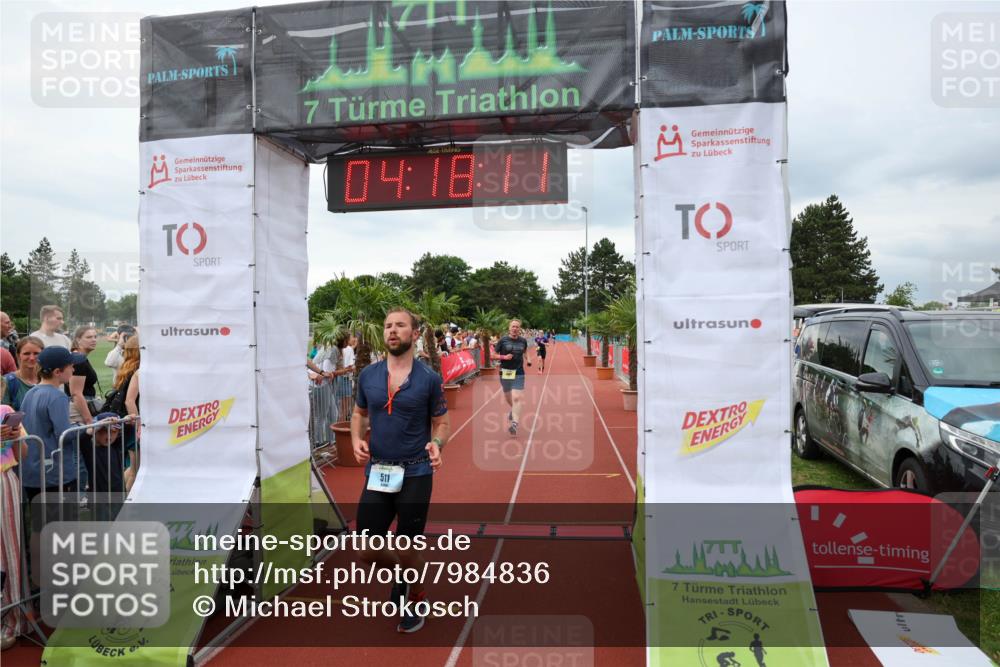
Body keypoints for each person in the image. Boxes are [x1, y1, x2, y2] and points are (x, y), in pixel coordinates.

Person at [351, 308, 449, 634]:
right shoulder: (368, 375)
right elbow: (359, 413)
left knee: (407, 548)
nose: (392, 330)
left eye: (400, 325)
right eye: (388, 326)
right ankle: (403, 577)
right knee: (366, 550)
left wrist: (436, 442)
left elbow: (441, 422)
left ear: (415, 333)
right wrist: (355, 438)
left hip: (416, 473)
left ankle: (415, 594)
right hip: (378, 471)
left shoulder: (429, 379)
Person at [20, 346, 85, 498]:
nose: (74, 370)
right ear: (57, 372)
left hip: (32, 470)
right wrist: (88, 427)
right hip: (54, 472)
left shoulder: (30, 393)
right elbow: (64, 435)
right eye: (70, 366)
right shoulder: (57, 396)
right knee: (59, 519)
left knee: (39, 519)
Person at [0, 380, 27, 650]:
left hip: (4, 481)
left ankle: (10, 616)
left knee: (8, 553)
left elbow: (24, 453)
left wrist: (16, 435)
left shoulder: (5, 410)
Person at [494, 319, 530, 436]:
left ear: (519, 329)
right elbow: (492, 355)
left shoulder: (523, 341)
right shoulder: (503, 340)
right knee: (508, 397)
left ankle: (514, 424)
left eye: (517, 327)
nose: (515, 328)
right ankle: (513, 410)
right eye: (513, 326)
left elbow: (525, 351)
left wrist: (528, 359)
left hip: (519, 372)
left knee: (516, 398)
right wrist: (504, 357)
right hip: (505, 371)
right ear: (509, 328)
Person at [66, 326, 100, 426]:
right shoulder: (78, 359)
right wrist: (89, 420)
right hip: (79, 410)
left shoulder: (78, 357)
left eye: (95, 336)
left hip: (81, 406)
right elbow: (76, 394)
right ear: (78, 339)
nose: (93, 340)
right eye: (89, 337)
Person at [2, 337, 43, 411]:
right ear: (18, 355)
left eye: (36, 353)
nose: (32, 358)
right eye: (26, 353)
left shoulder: (49, 379)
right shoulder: (8, 382)